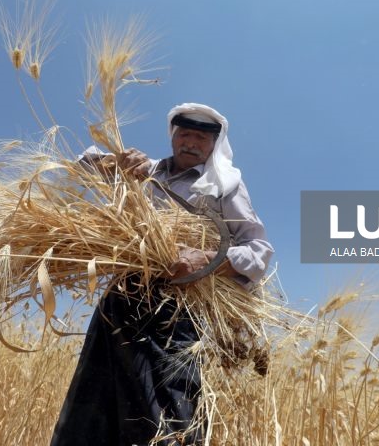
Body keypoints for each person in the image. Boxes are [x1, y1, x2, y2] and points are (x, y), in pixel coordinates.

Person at [50, 103, 274, 446]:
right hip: (122, 300)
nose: (192, 142)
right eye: (185, 134)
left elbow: (258, 249)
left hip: (178, 309)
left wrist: (207, 259)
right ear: (174, 136)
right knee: (91, 410)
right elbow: (80, 165)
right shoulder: (145, 171)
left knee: (167, 416)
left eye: (202, 137)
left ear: (214, 145)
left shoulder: (223, 185)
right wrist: (115, 162)